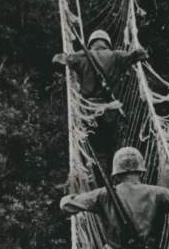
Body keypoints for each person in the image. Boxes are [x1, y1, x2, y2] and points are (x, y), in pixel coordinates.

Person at [53, 29, 148, 177]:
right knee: (110, 149)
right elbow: (139, 54)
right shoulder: (116, 56)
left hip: (89, 112)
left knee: (94, 151)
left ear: (91, 43)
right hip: (111, 111)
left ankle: (99, 183)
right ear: (107, 43)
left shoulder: (82, 55)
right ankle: (112, 181)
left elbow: (58, 59)